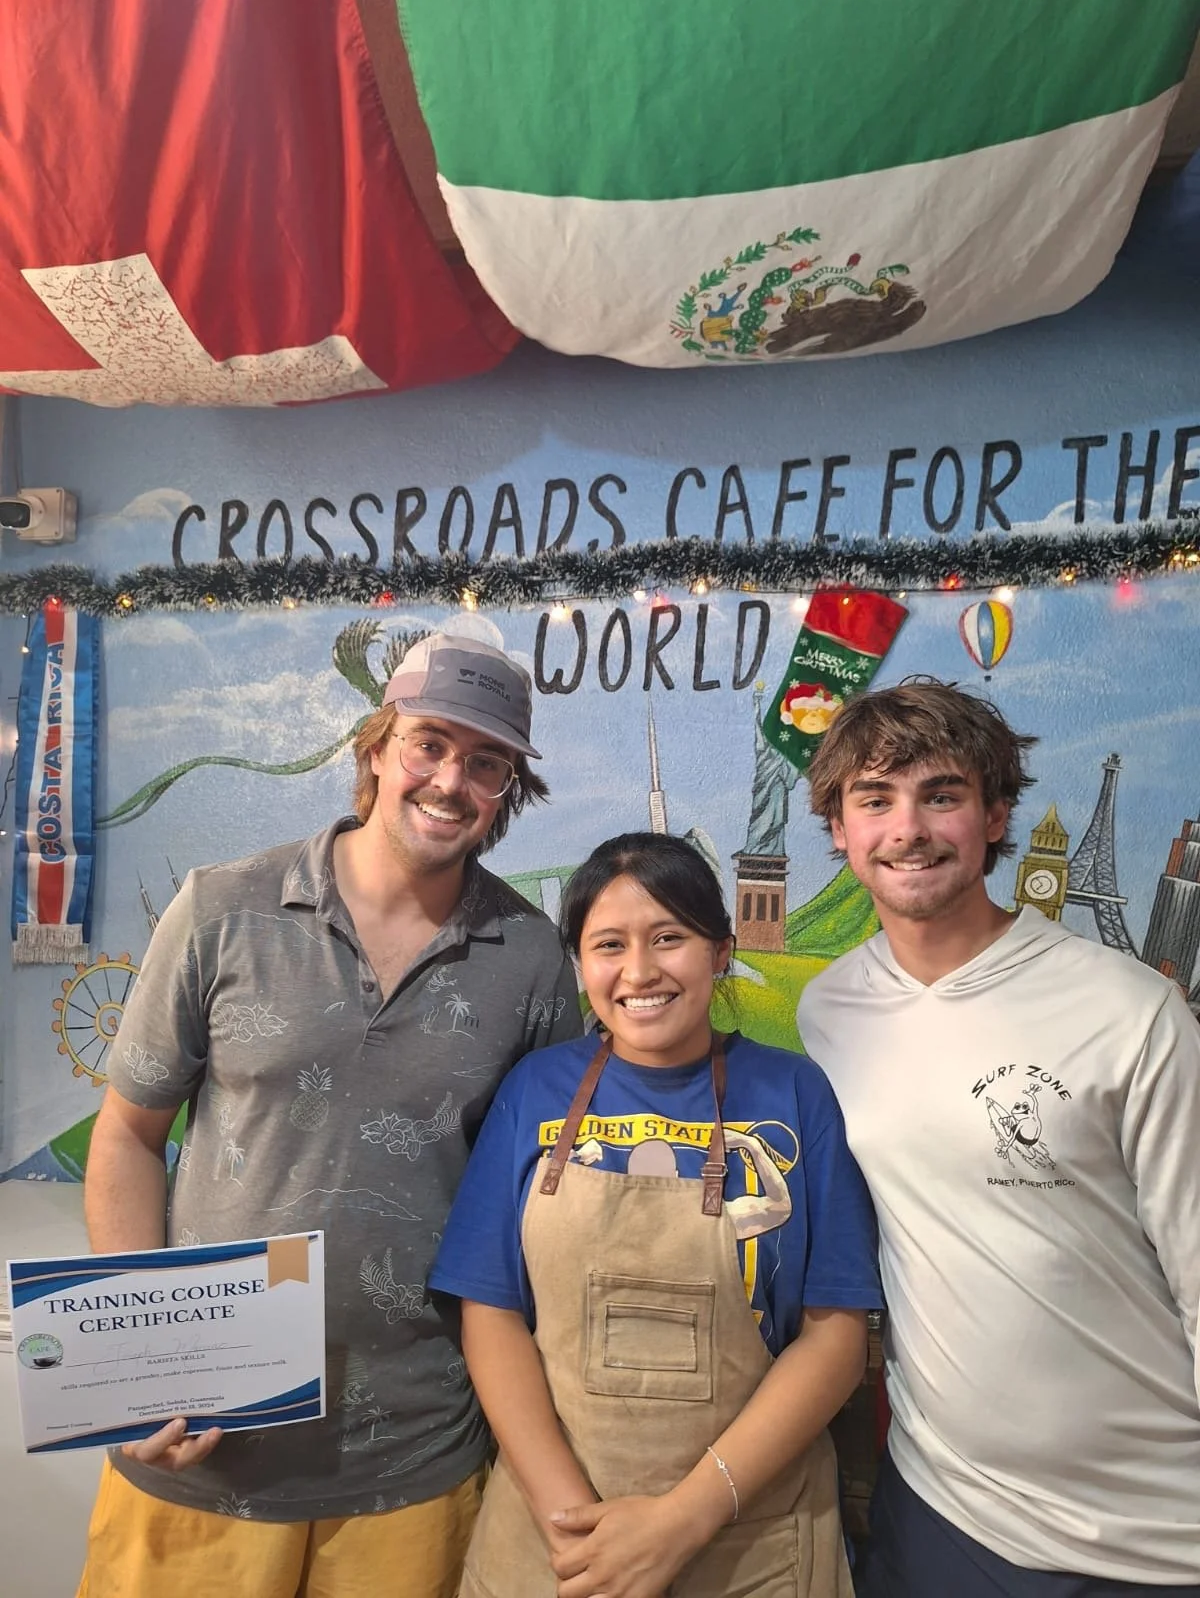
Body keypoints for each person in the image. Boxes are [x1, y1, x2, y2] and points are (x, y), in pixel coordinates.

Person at [77, 632, 583, 1598]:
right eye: (430, 744)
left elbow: (535, 1208)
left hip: (416, 1462)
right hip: (203, 1448)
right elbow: (127, 1136)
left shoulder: (531, 959)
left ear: (507, 791)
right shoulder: (223, 909)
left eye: (486, 764)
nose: (450, 781)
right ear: (379, 748)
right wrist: (146, 1366)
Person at [797, 678, 1200, 1596]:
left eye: (940, 794)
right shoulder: (828, 1012)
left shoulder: (1131, 1011)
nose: (909, 828)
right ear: (838, 830)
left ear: (995, 816)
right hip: (943, 1513)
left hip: (1155, 1536)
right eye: (875, 800)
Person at [430, 830, 883, 1598]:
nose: (639, 971)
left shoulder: (797, 1096)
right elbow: (491, 1313)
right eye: (609, 944)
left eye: (669, 937)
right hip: (562, 1546)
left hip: (752, 1538)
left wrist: (684, 1520)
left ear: (720, 950)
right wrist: (576, 1526)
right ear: (581, 962)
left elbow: (834, 1338)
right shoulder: (533, 1092)